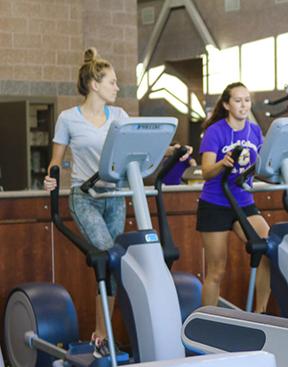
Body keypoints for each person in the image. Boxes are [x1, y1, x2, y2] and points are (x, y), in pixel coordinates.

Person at [43, 48, 191, 357]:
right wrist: (51, 177)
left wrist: (173, 150)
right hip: (86, 198)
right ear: (94, 84)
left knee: (115, 264)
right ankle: (103, 336)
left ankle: (101, 336)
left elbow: (142, 143)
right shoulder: (68, 119)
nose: (117, 87)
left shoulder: (120, 117)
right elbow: (55, 161)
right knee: (112, 258)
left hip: (116, 197)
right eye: (112, 82)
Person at [196, 82, 271, 312]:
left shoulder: (255, 131)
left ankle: (261, 314)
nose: (243, 105)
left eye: (247, 100)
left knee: (267, 250)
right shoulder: (215, 131)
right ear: (227, 104)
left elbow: (263, 167)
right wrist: (222, 162)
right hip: (215, 204)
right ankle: (206, 323)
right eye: (238, 100)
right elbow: (207, 172)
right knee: (217, 270)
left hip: (244, 203)